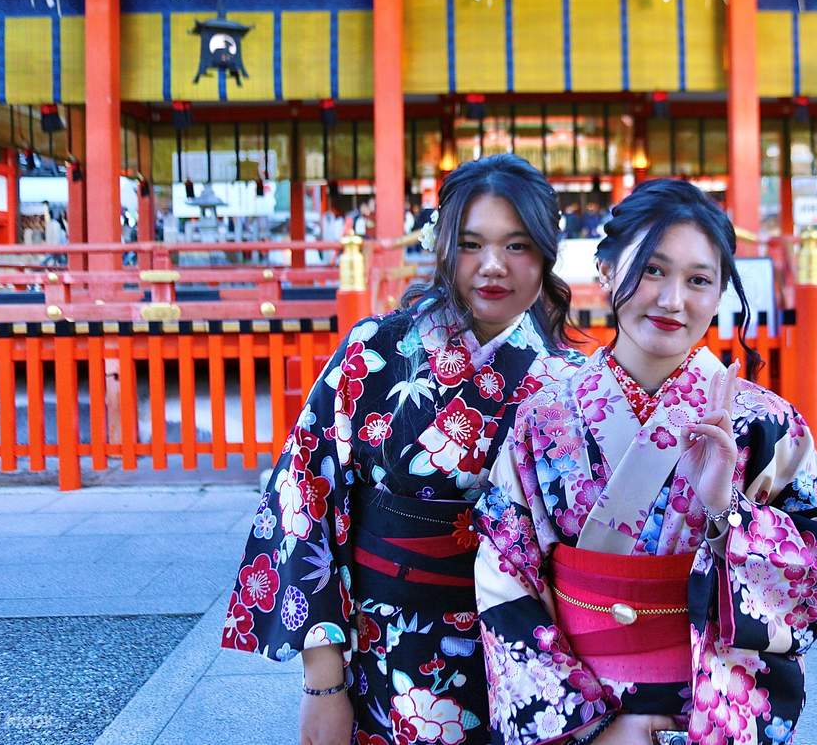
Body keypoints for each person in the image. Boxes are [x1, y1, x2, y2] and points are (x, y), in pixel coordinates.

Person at [474, 178, 817, 745]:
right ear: (608, 271)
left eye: (698, 281)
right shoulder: (545, 416)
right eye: (653, 270)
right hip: (581, 708)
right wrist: (589, 726)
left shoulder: (759, 420)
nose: (672, 300)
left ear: (718, 296)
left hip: (710, 701)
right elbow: (504, 570)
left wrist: (728, 510)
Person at [222, 154, 584, 745]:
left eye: (517, 245)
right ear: (442, 247)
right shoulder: (375, 351)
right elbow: (302, 499)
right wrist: (323, 684)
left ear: (546, 253)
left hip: (528, 662)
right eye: (470, 244)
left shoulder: (573, 383)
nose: (492, 265)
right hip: (383, 650)